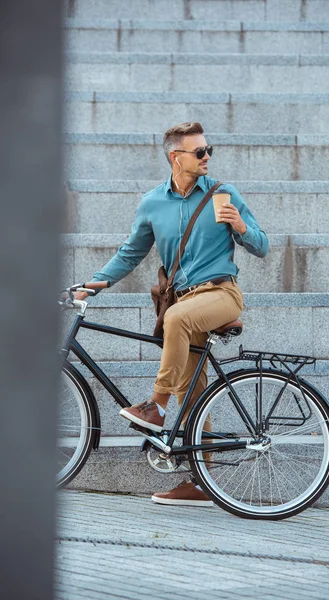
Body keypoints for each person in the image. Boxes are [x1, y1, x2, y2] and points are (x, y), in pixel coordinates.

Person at [74, 122, 268, 506]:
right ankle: (201, 482)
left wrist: (241, 226)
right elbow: (131, 253)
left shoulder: (222, 194)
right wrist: (94, 284)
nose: (207, 156)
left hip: (221, 294)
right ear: (175, 157)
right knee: (193, 392)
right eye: (199, 152)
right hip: (182, 299)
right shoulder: (152, 204)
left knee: (177, 320)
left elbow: (261, 246)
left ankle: (156, 406)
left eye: (208, 150)